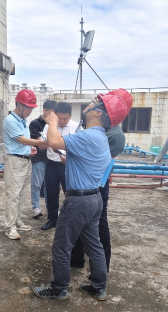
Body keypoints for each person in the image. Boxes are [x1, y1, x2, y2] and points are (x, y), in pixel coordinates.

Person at [32, 92, 129, 301]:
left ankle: (59, 288)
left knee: (61, 245)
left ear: (99, 112)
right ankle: (98, 286)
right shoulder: (100, 137)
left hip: (79, 200)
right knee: (94, 244)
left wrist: (52, 122)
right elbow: (83, 162)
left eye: (94, 103)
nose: (89, 105)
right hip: (94, 199)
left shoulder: (89, 135)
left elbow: (54, 141)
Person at [71, 89, 132, 271]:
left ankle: (102, 267)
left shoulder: (115, 135)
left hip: (97, 183)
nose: (95, 104)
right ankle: (77, 258)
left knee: (99, 224)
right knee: (79, 221)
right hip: (85, 180)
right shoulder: (100, 127)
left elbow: (102, 163)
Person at [3, 89, 48, 240]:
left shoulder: (23, 121)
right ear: (19, 105)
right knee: (13, 194)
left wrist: (31, 148)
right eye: (28, 107)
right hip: (15, 161)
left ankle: (17, 221)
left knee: (22, 193)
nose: (30, 111)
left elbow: (24, 143)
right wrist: (39, 142)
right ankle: (9, 227)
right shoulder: (10, 120)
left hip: (25, 160)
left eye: (31, 108)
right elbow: (22, 140)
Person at [40, 102, 79, 231]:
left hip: (69, 165)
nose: (61, 121)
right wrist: (50, 142)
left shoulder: (76, 127)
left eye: (65, 118)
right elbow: (41, 146)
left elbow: (80, 147)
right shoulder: (49, 126)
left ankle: (70, 219)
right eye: (59, 118)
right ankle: (52, 219)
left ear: (70, 116)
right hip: (51, 164)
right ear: (55, 115)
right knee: (51, 192)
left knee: (70, 193)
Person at [29, 100, 57, 219]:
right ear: (44, 110)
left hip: (52, 159)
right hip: (39, 158)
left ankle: (49, 208)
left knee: (49, 186)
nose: (53, 116)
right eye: (51, 113)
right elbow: (35, 141)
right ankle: (35, 207)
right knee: (36, 184)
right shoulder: (35, 124)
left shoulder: (55, 124)